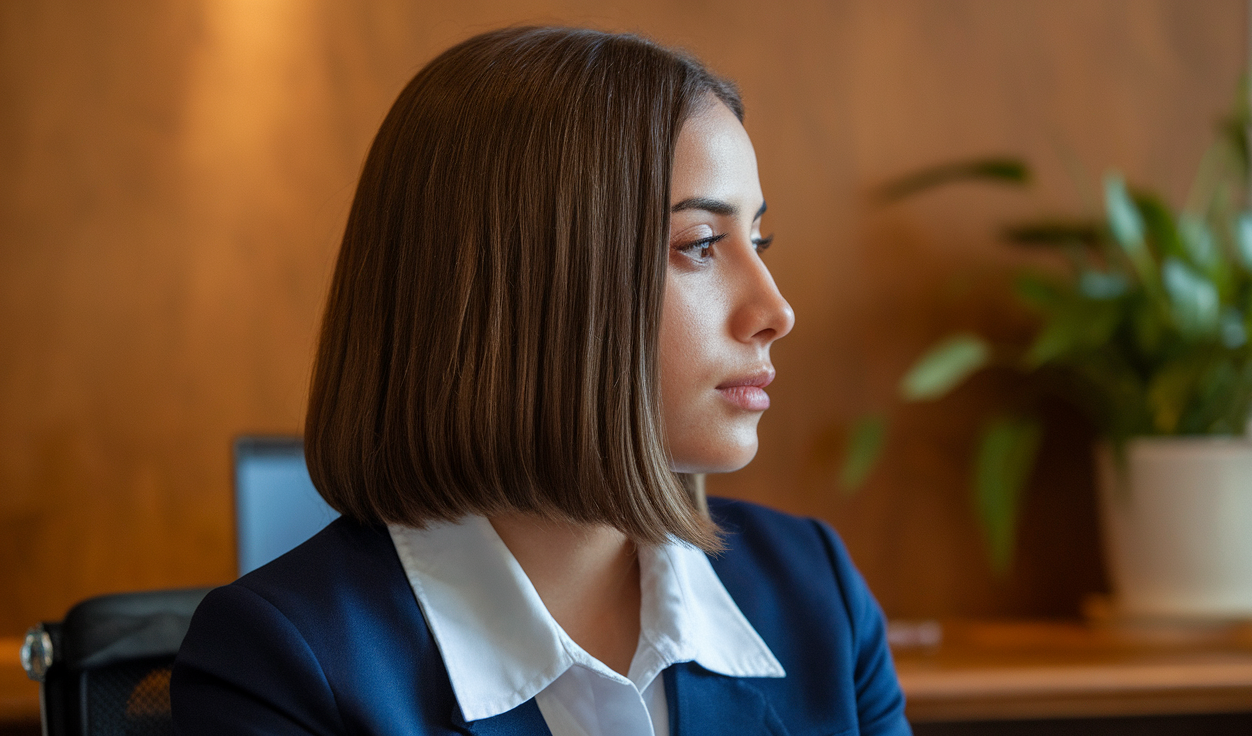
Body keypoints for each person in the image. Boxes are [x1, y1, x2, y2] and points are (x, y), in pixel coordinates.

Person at [172, 26, 910, 736]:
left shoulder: (817, 594)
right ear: (525, 288)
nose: (775, 310)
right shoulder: (283, 663)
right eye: (703, 244)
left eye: (759, 240)